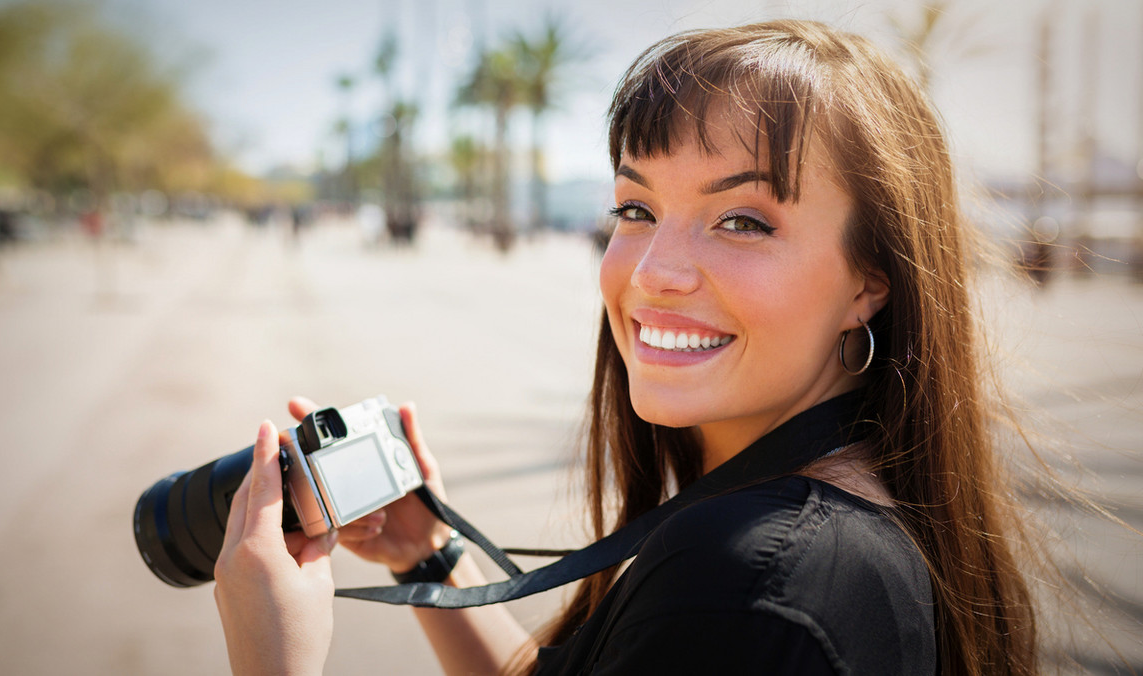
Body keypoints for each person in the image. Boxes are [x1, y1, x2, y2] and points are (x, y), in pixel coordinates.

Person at [213, 20, 1039, 675]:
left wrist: (271, 662)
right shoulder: (838, 522)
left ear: (871, 277)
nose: (653, 273)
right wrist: (429, 554)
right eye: (635, 209)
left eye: (743, 220)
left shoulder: (748, 585)